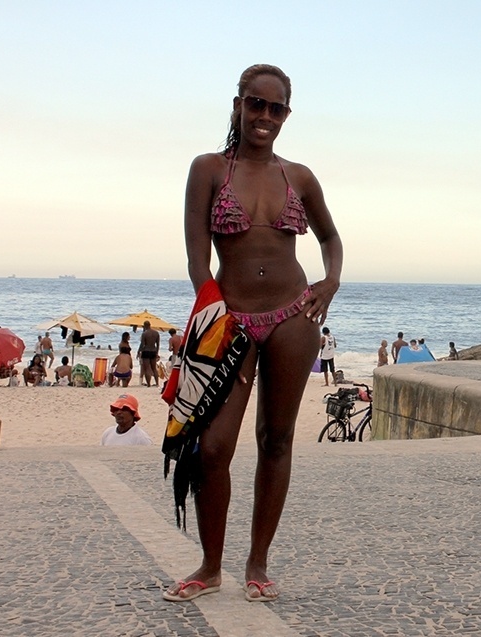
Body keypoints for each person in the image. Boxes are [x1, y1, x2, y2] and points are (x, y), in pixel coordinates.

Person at [163, 64, 342, 604]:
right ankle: (210, 565)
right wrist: (216, 315)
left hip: (293, 318)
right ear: (238, 104)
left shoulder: (300, 176)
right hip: (230, 320)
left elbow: (331, 239)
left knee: (277, 439)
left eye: (276, 108)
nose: (264, 116)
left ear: (287, 114)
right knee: (213, 448)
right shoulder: (208, 169)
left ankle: (258, 563)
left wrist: (330, 283)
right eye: (255, 104)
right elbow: (198, 260)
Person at [137, 320, 161, 387]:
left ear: (145, 325)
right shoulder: (156, 333)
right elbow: (158, 344)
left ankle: (148, 384)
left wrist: (139, 351)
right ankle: (157, 383)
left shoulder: (145, 333)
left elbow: (142, 344)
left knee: (147, 368)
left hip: (146, 351)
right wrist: (157, 352)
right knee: (154, 368)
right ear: (150, 325)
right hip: (153, 351)